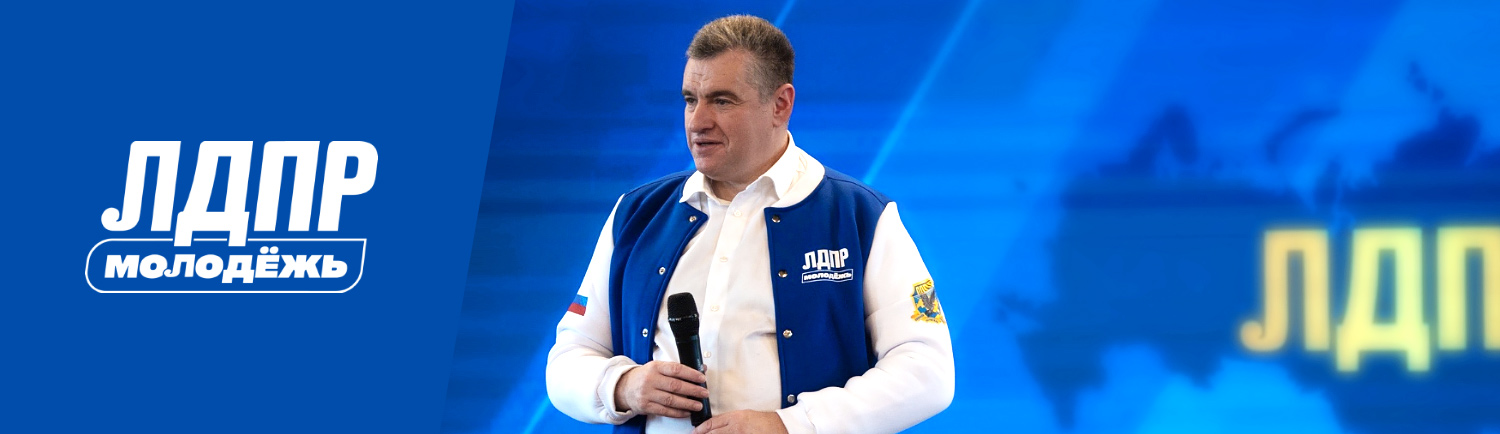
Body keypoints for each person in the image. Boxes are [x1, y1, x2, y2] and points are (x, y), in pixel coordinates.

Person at [545, 15, 954, 434]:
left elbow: (927, 370)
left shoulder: (860, 216)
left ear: (780, 104)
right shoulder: (638, 214)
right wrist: (622, 385)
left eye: (722, 101)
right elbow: (568, 358)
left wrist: (789, 425)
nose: (697, 121)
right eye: (690, 99)